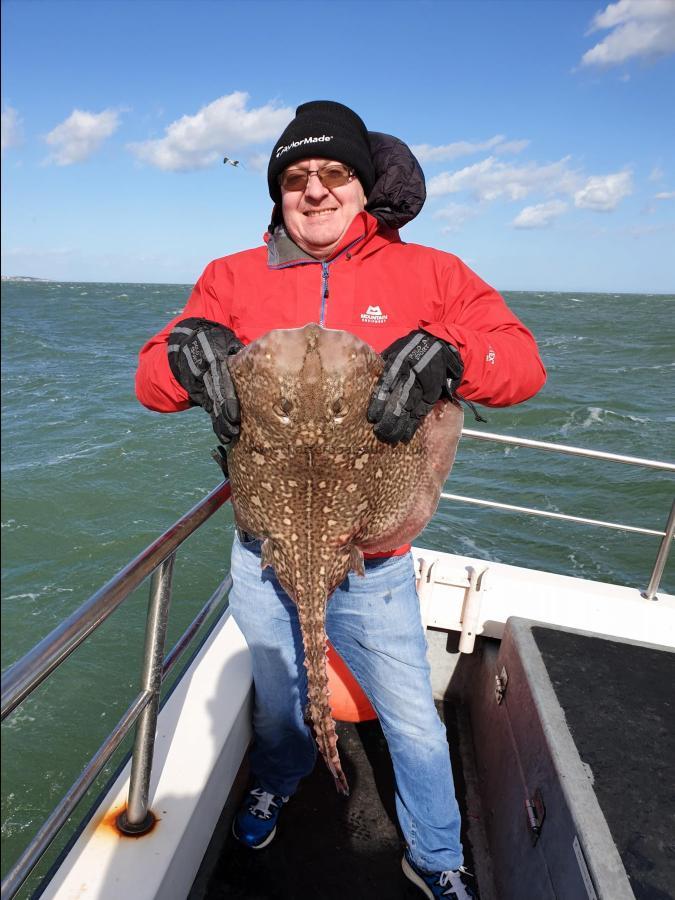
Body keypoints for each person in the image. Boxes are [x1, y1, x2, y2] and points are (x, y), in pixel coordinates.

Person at [136, 100, 546, 900]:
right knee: (282, 704)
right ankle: (280, 778)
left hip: (372, 558)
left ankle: (435, 855)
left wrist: (453, 356)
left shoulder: (431, 275)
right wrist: (183, 356)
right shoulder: (230, 277)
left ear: (365, 188)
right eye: (296, 178)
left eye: (333, 175)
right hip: (266, 551)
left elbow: (523, 365)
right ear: (277, 193)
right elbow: (152, 380)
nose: (314, 191)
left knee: (411, 720)